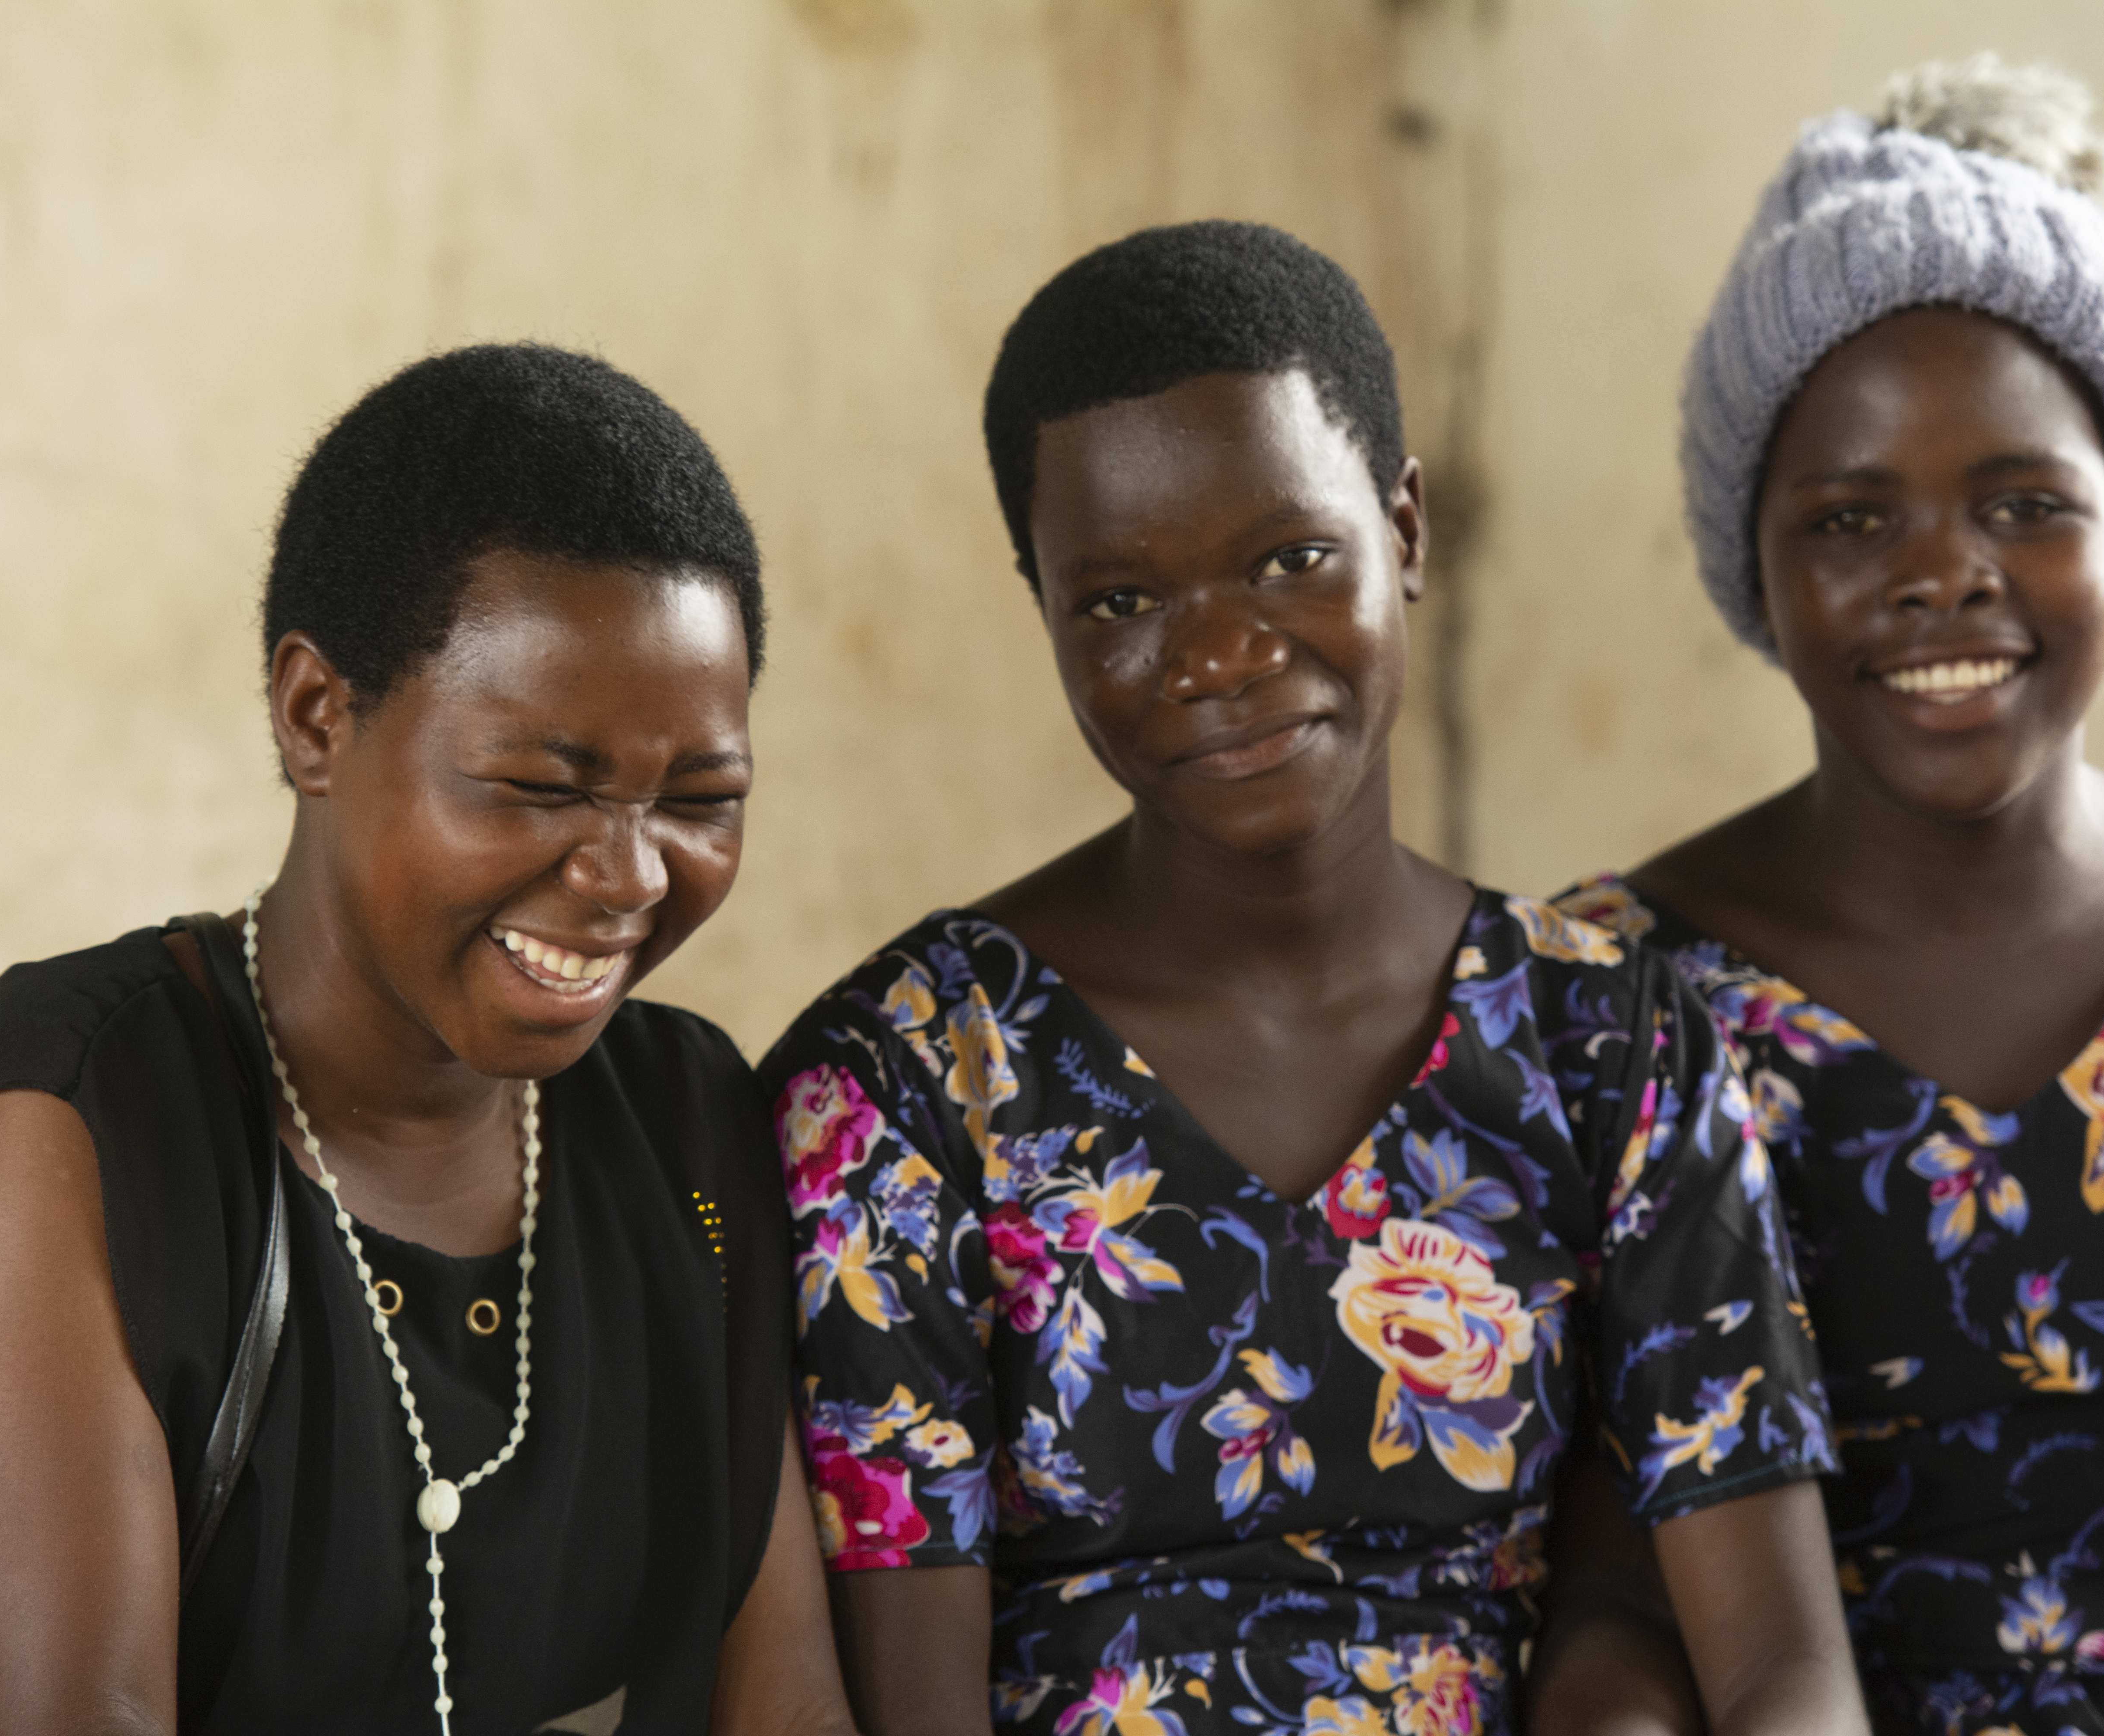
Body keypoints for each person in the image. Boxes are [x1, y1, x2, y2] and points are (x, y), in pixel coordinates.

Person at [761, 221, 1864, 1736]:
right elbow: (912, 1709)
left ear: (1404, 531)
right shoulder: (906, 1083)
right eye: (1120, 601)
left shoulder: (1604, 1038)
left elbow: (1781, 1664)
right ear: (1043, 609)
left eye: (1291, 559)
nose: (1219, 655)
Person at [0, 345, 854, 1735]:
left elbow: (786, 1707)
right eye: (541, 786)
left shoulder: (683, 1123)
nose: (631, 875)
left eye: (699, 799)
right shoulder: (79, 1122)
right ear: (316, 717)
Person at [1558, 57, 2104, 1736]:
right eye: (1852, 517)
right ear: (1755, 564)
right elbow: (1605, 1587)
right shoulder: (1604, 992)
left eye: (2026, 505)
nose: (1943, 574)